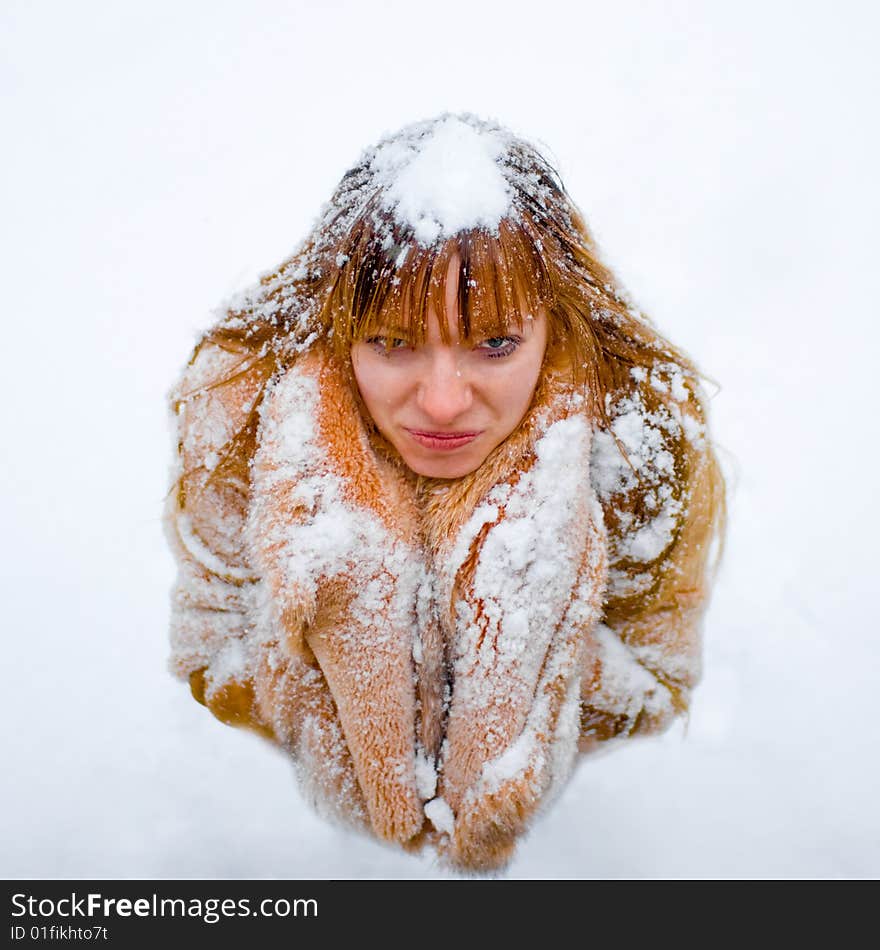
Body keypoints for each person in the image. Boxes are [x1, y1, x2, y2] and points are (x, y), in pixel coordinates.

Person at [164, 113, 725, 872]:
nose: (441, 402)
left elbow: (655, 681)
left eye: (494, 344)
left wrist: (530, 639)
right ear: (340, 325)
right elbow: (208, 655)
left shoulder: (638, 438)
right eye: (392, 343)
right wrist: (326, 655)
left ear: (553, 324)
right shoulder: (241, 416)